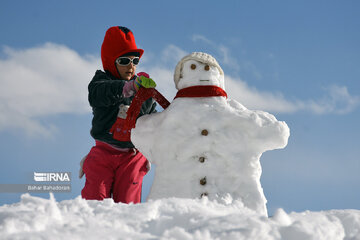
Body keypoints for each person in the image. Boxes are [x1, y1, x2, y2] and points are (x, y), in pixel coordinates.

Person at [79, 26, 157, 204]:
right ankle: (93, 225)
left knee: (128, 201)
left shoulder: (141, 91)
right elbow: (99, 94)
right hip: (104, 151)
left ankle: (126, 228)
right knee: (95, 197)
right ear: (110, 61)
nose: (131, 66)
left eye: (135, 60)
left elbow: (151, 120)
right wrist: (127, 88)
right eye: (124, 61)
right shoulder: (100, 82)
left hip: (132, 154)